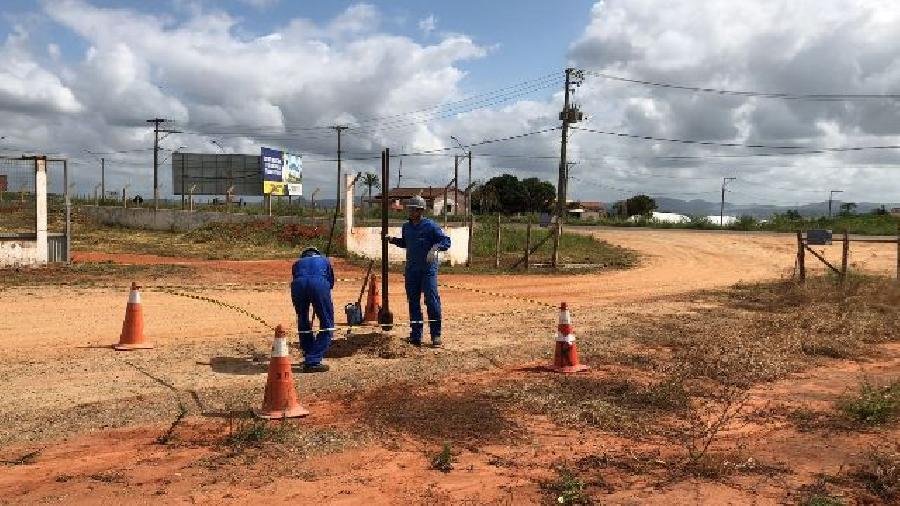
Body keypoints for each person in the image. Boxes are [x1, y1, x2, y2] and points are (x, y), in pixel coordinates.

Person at [385, 195, 451, 347]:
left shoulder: (431, 226)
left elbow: (445, 241)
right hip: (412, 270)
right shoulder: (406, 227)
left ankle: (436, 335)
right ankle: (416, 336)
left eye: (413, 209)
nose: (410, 211)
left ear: (420, 210)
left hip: (428, 270)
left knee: (431, 300)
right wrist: (392, 240)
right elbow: (406, 243)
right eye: (409, 208)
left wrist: (435, 248)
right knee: (413, 302)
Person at [290, 246, 335, 372]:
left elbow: (296, 277)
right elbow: (330, 283)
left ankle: (309, 352)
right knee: (327, 324)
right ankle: (313, 360)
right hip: (319, 284)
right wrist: (319, 298)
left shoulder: (297, 263)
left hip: (298, 286)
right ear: (317, 254)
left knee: (302, 318)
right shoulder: (325, 260)